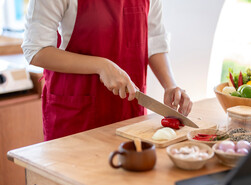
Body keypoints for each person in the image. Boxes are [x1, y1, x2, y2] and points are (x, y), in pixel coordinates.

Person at [22, 0, 193, 142]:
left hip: (130, 113)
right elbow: (37, 50)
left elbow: (154, 39)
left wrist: (170, 85)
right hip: (76, 117)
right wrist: (101, 66)